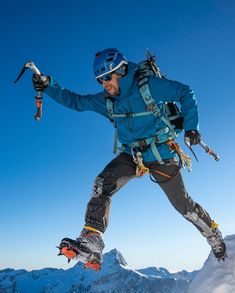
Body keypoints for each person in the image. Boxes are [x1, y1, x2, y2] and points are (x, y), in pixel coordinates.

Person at [33, 48, 226, 270]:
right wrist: (48, 85)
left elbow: (185, 92)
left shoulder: (149, 87)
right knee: (101, 184)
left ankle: (213, 235)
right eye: (99, 79)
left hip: (161, 154)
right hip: (133, 156)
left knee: (184, 206)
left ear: (122, 71)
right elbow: (76, 102)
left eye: (107, 77)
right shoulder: (107, 101)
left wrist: (192, 128)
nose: (104, 83)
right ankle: (92, 243)